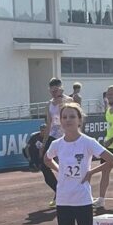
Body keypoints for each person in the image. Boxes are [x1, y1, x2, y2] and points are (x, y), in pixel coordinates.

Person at [42, 78, 73, 207]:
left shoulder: (68, 101)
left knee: (66, 164)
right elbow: (49, 123)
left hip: (67, 136)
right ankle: (58, 190)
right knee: (45, 164)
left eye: (56, 90)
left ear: (60, 88)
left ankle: (69, 193)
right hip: (53, 137)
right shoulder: (49, 103)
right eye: (52, 91)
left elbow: (74, 117)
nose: (54, 93)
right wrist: (44, 142)